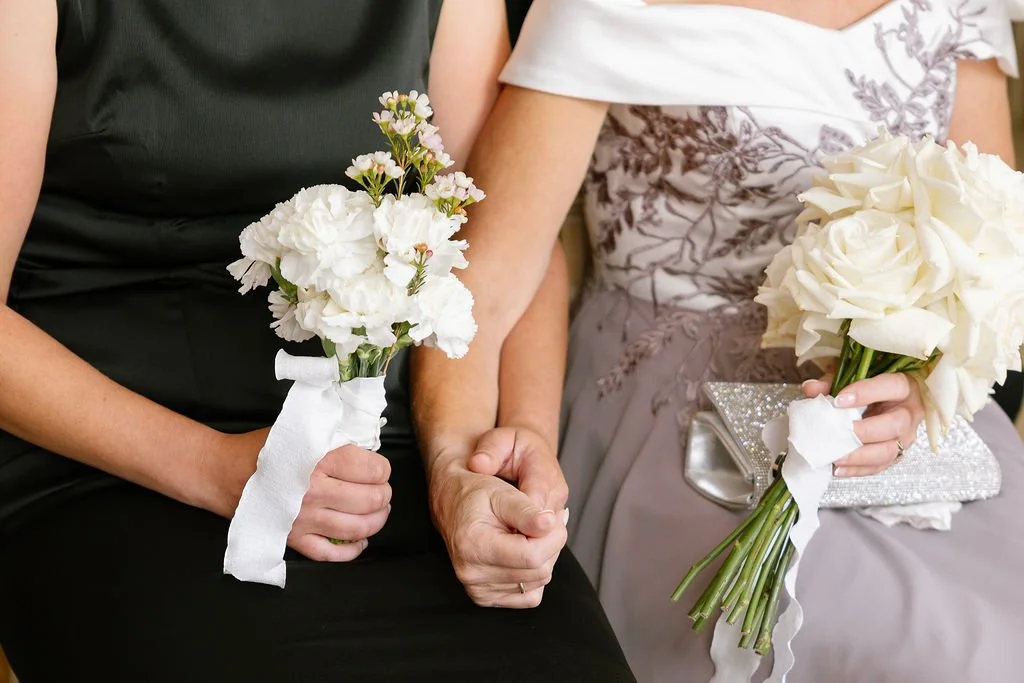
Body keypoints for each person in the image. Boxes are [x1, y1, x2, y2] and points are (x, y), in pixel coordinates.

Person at [0, 1, 637, 681]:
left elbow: (510, 228)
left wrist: (480, 459)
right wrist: (220, 468)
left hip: (396, 450)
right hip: (118, 463)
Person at [414, 0, 1024, 681]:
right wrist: (453, 469)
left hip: (902, 411)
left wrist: (917, 376)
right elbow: (484, 281)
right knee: (902, 645)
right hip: (669, 396)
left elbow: (993, 245)